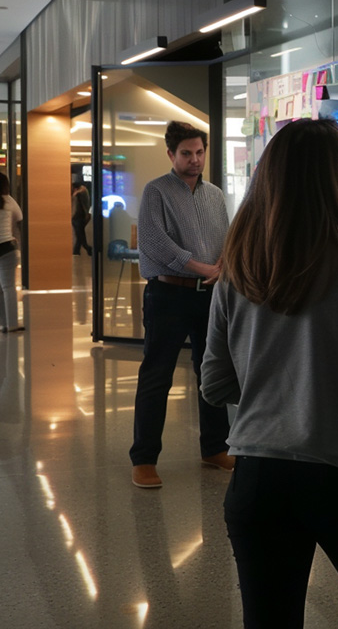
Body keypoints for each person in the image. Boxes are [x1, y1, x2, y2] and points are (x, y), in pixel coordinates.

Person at [201, 118, 338, 628]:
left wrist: (268, 389)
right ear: (332, 179)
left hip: (258, 478)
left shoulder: (236, 274)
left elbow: (215, 385)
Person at [129, 121, 233, 488]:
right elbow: (155, 242)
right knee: (157, 374)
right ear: (171, 154)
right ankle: (143, 458)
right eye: (186, 153)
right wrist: (199, 265)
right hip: (167, 295)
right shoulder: (156, 191)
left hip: (210, 295)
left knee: (212, 370)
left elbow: (227, 237)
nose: (195, 160)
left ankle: (214, 446)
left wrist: (222, 265)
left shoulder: (215, 196)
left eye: (200, 152)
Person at [0, 174, 22, 332]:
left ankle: (2, 323)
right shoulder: (8, 200)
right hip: (7, 246)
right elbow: (19, 218)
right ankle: (12, 324)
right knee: (8, 287)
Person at [72, 182, 93, 256]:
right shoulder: (84, 192)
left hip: (78, 217)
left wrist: (72, 215)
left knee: (80, 235)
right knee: (80, 235)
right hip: (81, 217)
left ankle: (88, 249)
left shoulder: (79, 194)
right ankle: (76, 251)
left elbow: (77, 208)